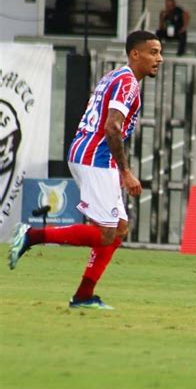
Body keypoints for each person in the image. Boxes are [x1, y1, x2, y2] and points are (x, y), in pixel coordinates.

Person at [8, 30, 163, 310]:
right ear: (134, 54)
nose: (159, 58)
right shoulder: (127, 83)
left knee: (119, 229)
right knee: (105, 233)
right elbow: (112, 127)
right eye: (153, 52)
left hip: (86, 153)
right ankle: (32, 235)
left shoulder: (114, 77)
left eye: (160, 52)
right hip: (97, 158)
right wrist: (125, 172)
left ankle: (83, 296)